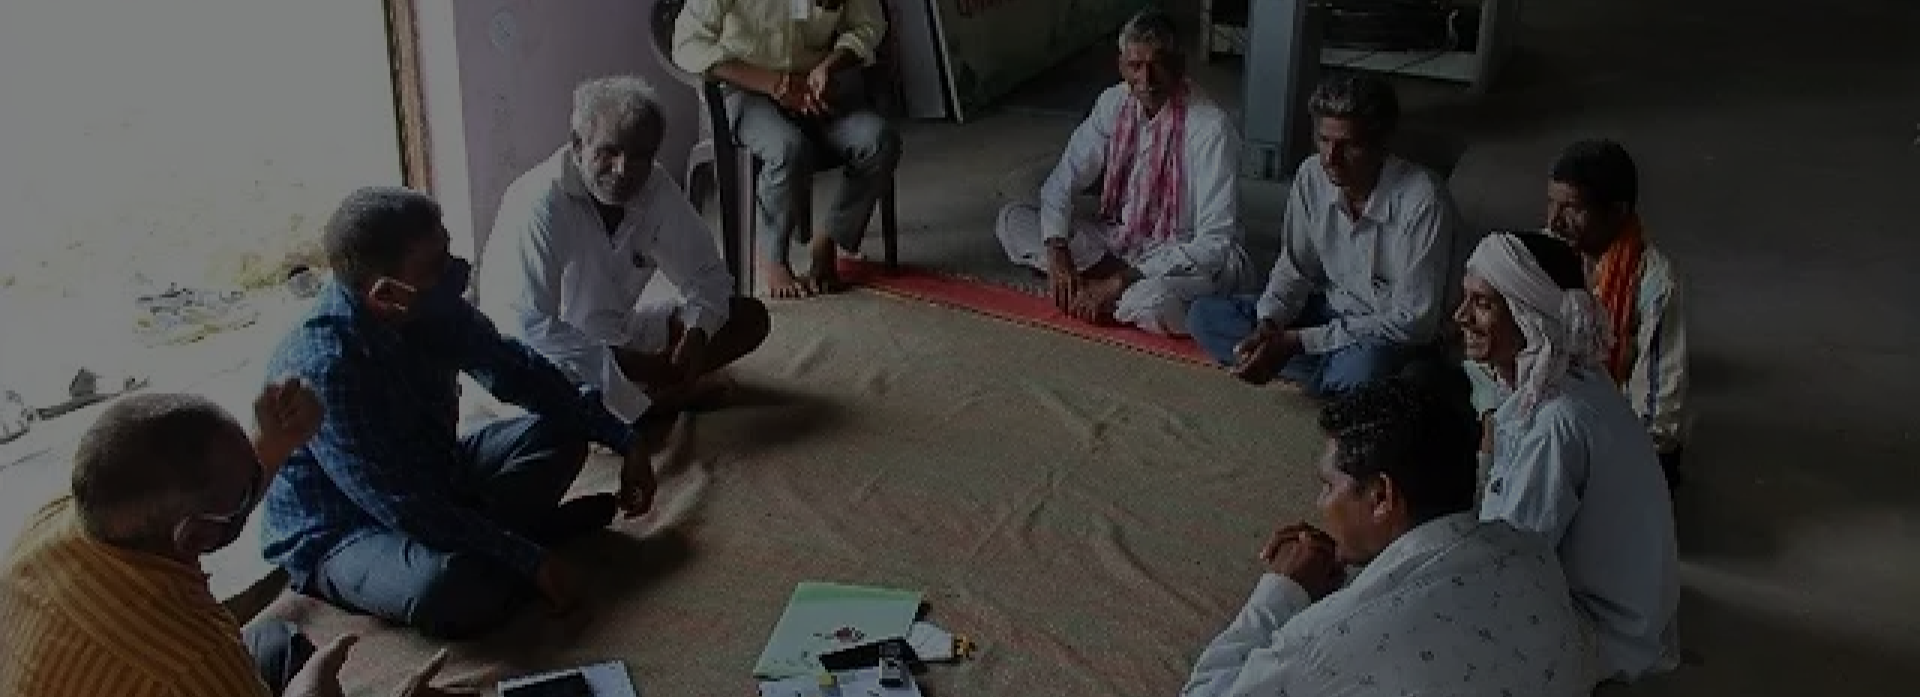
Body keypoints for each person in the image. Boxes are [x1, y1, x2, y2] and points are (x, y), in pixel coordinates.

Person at [262, 187, 661, 640]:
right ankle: (517, 542)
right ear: (386, 294)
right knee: (447, 589)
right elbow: (404, 506)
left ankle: (498, 544)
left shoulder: (430, 306)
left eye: (447, 252)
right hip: (347, 527)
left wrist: (623, 438)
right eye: (436, 266)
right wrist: (529, 560)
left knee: (565, 431)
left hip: (437, 472)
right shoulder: (326, 369)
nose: (456, 271)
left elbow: (517, 371)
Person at [0, 384, 461, 697]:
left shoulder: (61, 517)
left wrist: (272, 443)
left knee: (274, 643)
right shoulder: (193, 662)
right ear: (195, 535)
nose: (263, 478)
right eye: (250, 485)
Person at [1179, 372, 1599, 697]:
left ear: (1382, 496)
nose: (1321, 502)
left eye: (1328, 485)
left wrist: (1281, 592)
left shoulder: (1325, 639)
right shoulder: (1531, 551)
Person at [479, 75, 771, 425]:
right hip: (559, 354)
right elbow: (528, 330)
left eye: (640, 156)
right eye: (609, 152)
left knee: (748, 318)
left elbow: (708, 276)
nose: (623, 170)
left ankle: (641, 405)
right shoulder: (539, 202)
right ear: (578, 145)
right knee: (535, 393)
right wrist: (636, 366)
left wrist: (696, 333)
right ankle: (651, 403)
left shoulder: (655, 187)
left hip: (621, 333)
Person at [1457, 231, 1681, 682]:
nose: (1460, 316)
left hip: (1602, 631)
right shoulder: (1573, 380)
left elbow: (1512, 557)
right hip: (1627, 612)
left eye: (1482, 304)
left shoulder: (1556, 424)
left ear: (1529, 316)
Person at [1187, 73, 1458, 397]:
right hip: (1328, 314)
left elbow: (1414, 322)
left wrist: (1299, 342)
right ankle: (1330, 380)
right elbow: (1294, 269)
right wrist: (1269, 326)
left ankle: (1327, 377)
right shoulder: (1311, 175)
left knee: (1364, 368)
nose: (1331, 158)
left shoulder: (1423, 201)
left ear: (1381, 143)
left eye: (1349, 145)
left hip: (1386, 335)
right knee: (1204, 316)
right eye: (1324, 140)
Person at [993, 9, 1252, 335]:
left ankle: (1110, 289)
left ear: (1179, 65)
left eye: (1157, 64)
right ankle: (1102, 287)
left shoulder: (1211, 128)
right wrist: (1058, 254)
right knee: (1012, 220)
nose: (1146, 79)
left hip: (1183, 254)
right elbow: (1061, 183)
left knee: (1151, 302)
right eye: (1135, 66)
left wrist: (1120, 280)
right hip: (1119, 239)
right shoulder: (1112, 103)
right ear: (1121, 66)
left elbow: (1214, 242)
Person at [671, 0, 902, 298]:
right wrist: (774, 84)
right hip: (745, 90)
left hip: (812, 88)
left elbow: (869, 25)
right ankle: (772, 256)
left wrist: (830, 66)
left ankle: (829, 238)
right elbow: (687, 43)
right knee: (788, 149)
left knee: (879, 141)